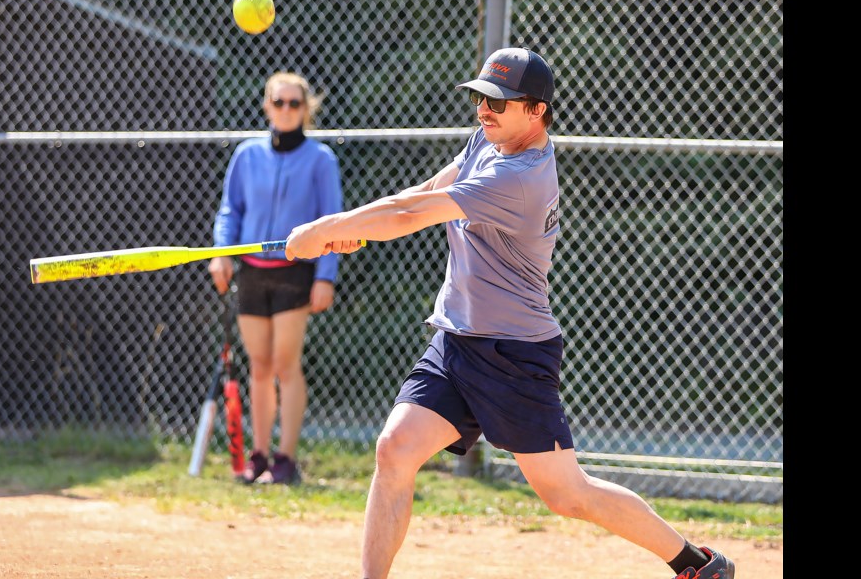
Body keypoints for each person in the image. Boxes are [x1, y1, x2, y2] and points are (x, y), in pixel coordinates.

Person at [284, 48, 736, 578]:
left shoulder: (520, 178)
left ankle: (694, 563)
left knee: (568, 495)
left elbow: (412, 215)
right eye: (481, 97)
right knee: (395, 449)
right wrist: (351, 229)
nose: (484, 110)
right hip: (455, 339)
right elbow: (425, 191)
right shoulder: (489, 139)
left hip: (513, 355)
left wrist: (323, 228)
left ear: (537, 111)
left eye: (499, 102)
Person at [209, 71, 344, 485]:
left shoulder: (321, 159)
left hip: (294, 274)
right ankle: (260, 456)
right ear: (267, 106)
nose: (286, 110)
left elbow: (332, 222)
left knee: (286, 364)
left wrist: (326, 277)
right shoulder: (247, 156)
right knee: (260, 366)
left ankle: (286, 459)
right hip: (251, 272)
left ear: (307, 109)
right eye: (279, 102)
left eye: (295, 103)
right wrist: (221, 255)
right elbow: (230, 211)